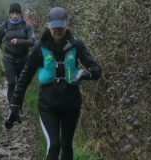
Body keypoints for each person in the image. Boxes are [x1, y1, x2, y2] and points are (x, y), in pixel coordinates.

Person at [5, 7, 102, 160]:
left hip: (71, 105)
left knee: (66, 145)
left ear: (67, 25)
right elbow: (25, 76)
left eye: (60, 26)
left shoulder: (77, 45)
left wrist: (86, 73)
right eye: (54, 27)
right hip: (47, 106)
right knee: (54, 145)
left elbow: (96, 69)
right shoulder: (39, 47)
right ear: (48, 26)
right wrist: (15, 104)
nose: (57, 30)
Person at [0, 3, 35, 107]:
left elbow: (32, 41)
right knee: (11, 83)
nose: (15, 16)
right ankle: (12, 109)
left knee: (20, 85)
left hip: (23, 59)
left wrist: (19, 41)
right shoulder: (5, 25)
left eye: (17, 13)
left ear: (20, 14)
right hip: (9, 59)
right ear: (10, 14)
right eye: (13, 13)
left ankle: (19, 105)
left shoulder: (26, 25)